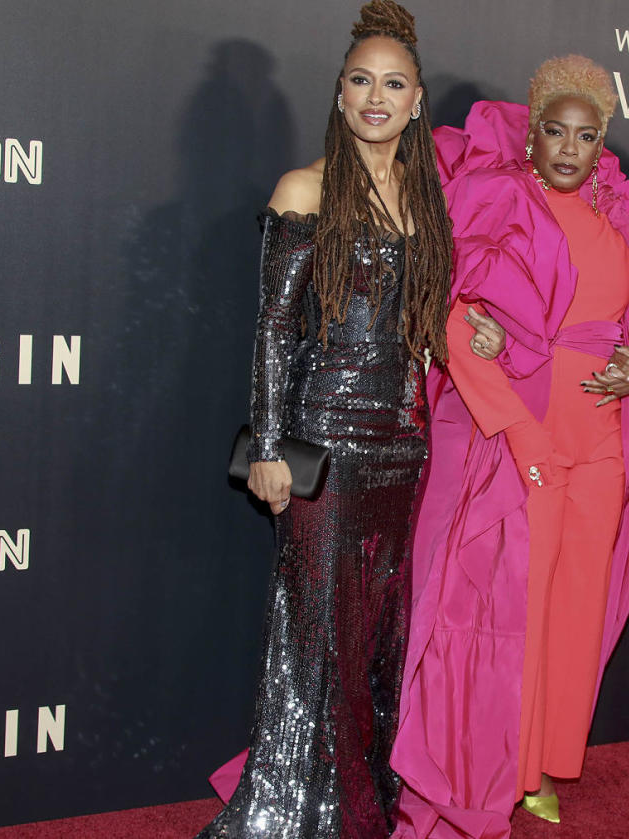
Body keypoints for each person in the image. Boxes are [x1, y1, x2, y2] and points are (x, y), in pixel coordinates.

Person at [196, 3, 504, 837]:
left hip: (402, 447)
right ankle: (304, 814)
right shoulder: (305, 188)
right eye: (361, 80)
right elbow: (272, 327)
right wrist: (266, 447)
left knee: (374, 632)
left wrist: (466, 323)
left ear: (416, 102)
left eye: (393, 83)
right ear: (340, 95)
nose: (377, 96)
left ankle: (355, 808)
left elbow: (417, 314)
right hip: (322, 442)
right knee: (318, 632)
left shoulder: (425, 199)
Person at [390, 56, 629, 837]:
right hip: (521, 431)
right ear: (531, 135)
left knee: (574, 605)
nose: (569, 147)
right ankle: (502, 762)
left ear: (604, 143)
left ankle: (542, 769)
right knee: (514, 609)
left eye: (586, 135)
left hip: (599, 435)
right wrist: (508, 404)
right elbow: (448, 308)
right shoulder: (495, 199)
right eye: (555, 131)